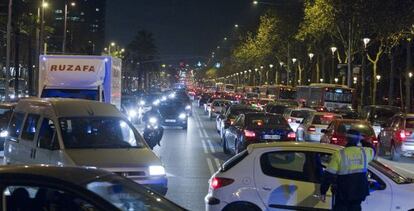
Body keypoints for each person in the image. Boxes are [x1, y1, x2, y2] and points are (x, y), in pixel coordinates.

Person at [320, 129, 374, 211]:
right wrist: (363, 140)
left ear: (346, 139)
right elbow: (373, 149)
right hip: (359, 193)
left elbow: (329, 175)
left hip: (343, 193)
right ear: (358, 140)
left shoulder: (339, 154)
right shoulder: (365, 152)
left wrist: (323, 191)